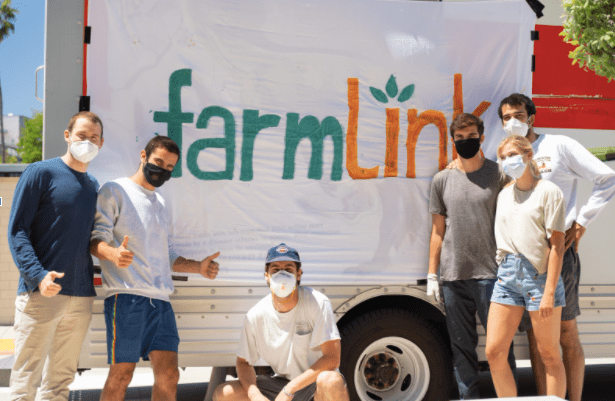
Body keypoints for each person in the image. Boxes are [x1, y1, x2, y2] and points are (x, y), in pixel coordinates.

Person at [498, 93, 615, 401]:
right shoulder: (507, 155)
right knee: (539, 339)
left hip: (558, 254)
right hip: (523, 260)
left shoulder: (558, 145)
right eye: (506, 117)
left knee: (566, 334)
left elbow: (606, 177)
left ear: (531, 118)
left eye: (519, 115)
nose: (513, 122)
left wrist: (581, 221)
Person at [90, 136, 221, 401]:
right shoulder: (114, 190)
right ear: (143, 156)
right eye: (158, 162)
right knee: (121, 376)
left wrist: (199, 267)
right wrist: (113, 253)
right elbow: (95, 240)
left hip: (161, 302)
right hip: (126, 298)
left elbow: (167, 253)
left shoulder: (160, 203)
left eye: (170, 167)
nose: (163, 169)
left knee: (169, 375)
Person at [8, 111, 104, 400]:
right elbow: (17, 231)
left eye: (94, 138)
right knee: (25, 381)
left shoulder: (92, 186)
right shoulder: (40, 172)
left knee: (59, 384)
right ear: (67, 136)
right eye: (82, 136)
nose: (88, 142)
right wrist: (38, 276)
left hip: (81, 296)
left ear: (101, 143)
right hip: (40, 294)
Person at [427, 113, 516, 399]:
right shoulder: (441, 180)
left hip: (492, 274)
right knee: (461, 347)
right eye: (460, 138)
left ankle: (509, 397)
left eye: (471, 136)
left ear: (482, 137)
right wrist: (432, 273)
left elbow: (514, 218)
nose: (466, 142)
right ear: (453, 140)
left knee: (501, 347)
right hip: (454, 276)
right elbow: (438, 231)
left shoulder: (499, 174)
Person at [213, 243, 349, 401]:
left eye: (288, 269)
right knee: (225, 393)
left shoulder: (317, 303)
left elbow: (332, 358)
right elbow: (243, 362)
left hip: (313, 385)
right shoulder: (255, 316)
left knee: (330, 381)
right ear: (266, 275)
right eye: (276, 270)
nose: (282, 275)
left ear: (299, 274)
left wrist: (290, 389)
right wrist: (255, 395)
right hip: (280, 383)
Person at [486, 135, 567, 398]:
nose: (508, 161)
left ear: (528, 155)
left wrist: (549, 292)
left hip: (539, 277)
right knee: (494, 352)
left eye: (512, 155)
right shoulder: (504, 194)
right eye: (503, 157)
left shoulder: (549, 192)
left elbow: (556, 245)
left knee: (549, 354)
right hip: (507, 275)